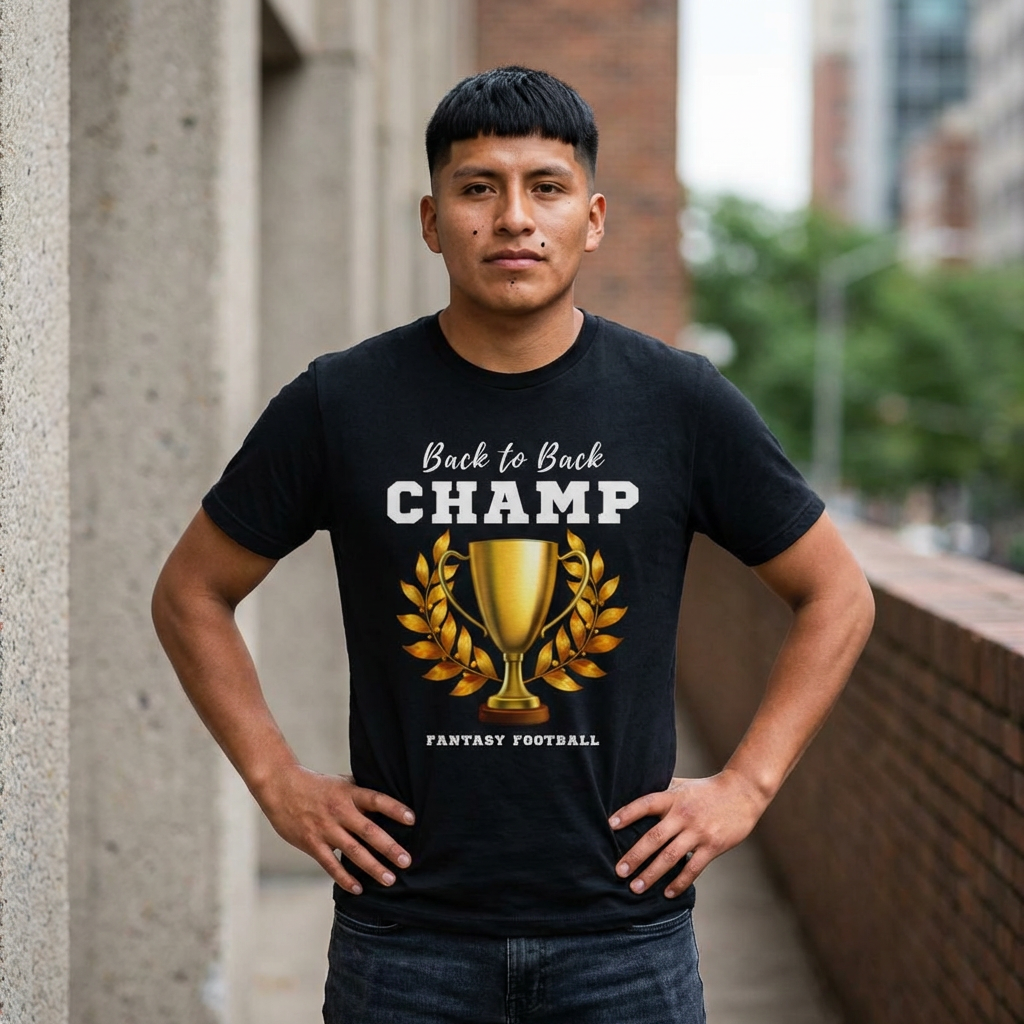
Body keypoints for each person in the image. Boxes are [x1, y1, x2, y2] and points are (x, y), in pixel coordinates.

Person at [152, 65, 874, 1024]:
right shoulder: (341, 402)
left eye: (546, 186)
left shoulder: (678, 401)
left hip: (626, 936)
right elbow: (190, 591)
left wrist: (747, 783)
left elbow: (838, 593)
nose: (514, 218)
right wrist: (277, 781)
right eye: (478, 188)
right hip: (404, 938)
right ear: (430, 219)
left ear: (594, 215)